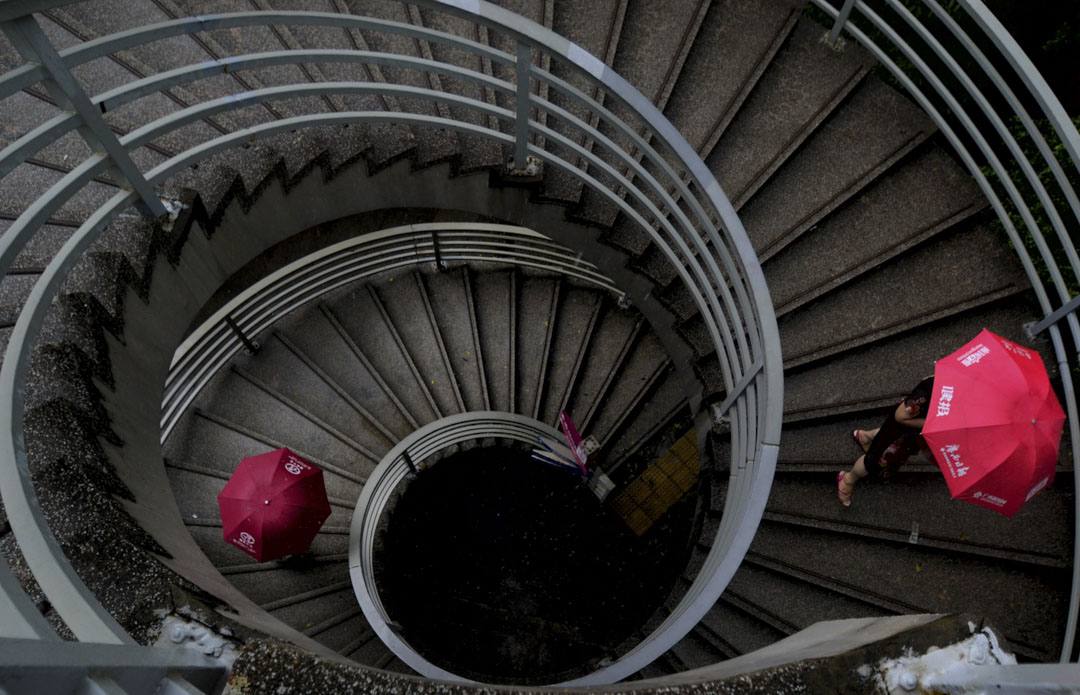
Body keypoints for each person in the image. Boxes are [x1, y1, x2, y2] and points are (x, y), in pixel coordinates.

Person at [837, 376, 934, 506]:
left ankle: (866, 437)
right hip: (902, 430)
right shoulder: (931, 388)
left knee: (883, 439)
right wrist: (935, 424)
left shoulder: (952, 378)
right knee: (874, 462)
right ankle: (848, 479)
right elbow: (901, 417)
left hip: (908, 429)